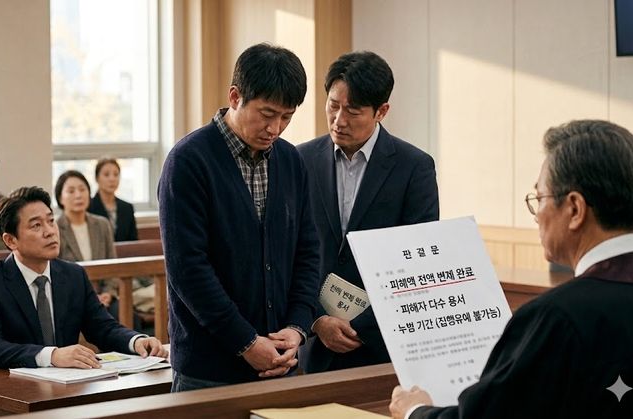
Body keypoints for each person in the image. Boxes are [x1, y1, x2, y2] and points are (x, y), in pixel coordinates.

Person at [389, 120, 633, 419]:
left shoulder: (556, 317)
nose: (537, 216)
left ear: (575, 209)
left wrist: (415, 411)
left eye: (540, 198)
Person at [158, 43, 320, 391]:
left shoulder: (291, 161)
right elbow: (188, 270)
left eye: (286, 117)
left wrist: (296, 327)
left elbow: (307, 252)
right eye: (267, 114)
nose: (275, 128)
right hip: (207, 370)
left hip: (280, 361)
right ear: (235, 97)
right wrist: (245, 342)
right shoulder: (188, 161)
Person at [296, 51, 439, 373]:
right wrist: (317, 319)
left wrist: (363, 327)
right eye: (333, 105)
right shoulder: (300, 160)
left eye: (353, 111)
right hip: (314, 341)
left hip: (382, 344)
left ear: (381, 111)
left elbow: (418, 262)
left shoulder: (414, 167)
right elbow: (286, 252)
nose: (339, 120)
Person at [0, 186, 167, 369]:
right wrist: (51, 355)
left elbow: (102, 327)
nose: (50, 232)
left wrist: (136, 341)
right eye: (36, 225)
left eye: (51, 221)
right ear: (11, 240)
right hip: (7, 387)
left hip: (64, 384)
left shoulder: (73, 275)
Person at [54, 170, 129, 325]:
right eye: (71, 191)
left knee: (127, 315)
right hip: (71, 299)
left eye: (82, 189)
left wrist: (108, 293)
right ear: (60, 198)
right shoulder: (55, 229)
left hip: (104, 297)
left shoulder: (102, 224)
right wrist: (89, 298)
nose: (78, 195)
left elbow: (113, 266)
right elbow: (56, 274)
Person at [89, 158, 138, 242]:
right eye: (106, 175)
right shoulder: (88, 206)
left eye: (116, 174)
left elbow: (133, 242)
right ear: (97, 178)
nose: (112, 179)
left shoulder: (127, 208)